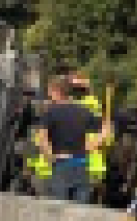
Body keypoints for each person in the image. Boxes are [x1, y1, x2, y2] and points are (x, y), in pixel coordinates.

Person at [33, 76, 103, 204]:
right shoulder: (85, 112)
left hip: (61, 165)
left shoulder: (51, 113)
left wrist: (50, 156)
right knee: (79, 210)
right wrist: (88, 148)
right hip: (82, 166)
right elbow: (105, 131)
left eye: (50, 92)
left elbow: (42, 138)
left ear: (55, 92)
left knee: (57, 208)